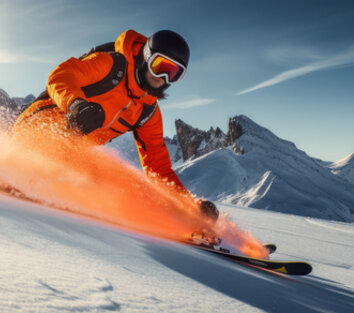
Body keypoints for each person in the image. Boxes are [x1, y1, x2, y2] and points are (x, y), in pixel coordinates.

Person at [11, 29, 218, 221]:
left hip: (71, 153)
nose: (162, 78)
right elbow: (62, 76)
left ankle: (184, 223)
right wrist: (76, 105)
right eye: (159, 67)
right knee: (59, 157)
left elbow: (159, 168)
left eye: (173, 74)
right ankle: (19, 176)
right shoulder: (111, 65)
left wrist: (190, 207)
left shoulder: (147, 112)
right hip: (38, 127)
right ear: (146, 57)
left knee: (119, 189)